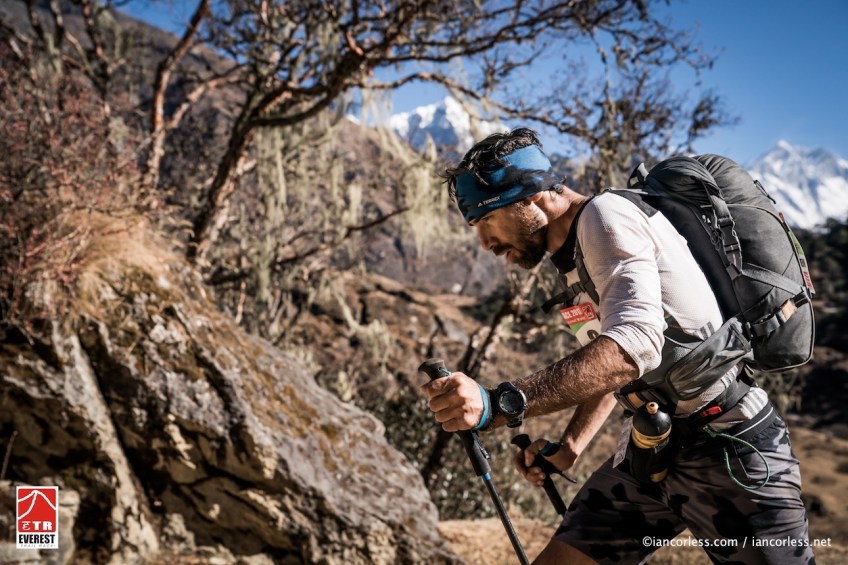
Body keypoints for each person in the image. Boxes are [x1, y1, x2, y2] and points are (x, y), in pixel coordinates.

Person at [420, 128, 814, 564]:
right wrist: (571, 445)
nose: (486, 244)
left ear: (529, 198)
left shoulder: (606, 219)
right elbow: (617, 363)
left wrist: (501, 403)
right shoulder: (572, 254)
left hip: (732, 446)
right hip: (651, 448)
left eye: (486, 220)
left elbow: (634, 346)